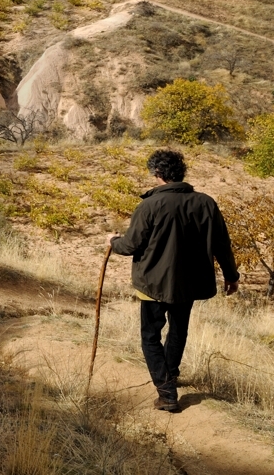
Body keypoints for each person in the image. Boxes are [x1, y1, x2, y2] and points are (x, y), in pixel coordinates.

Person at [107, 148, 239, 413]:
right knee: (179, 331)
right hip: (188, 284)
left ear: (157, 174)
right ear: (181, 173)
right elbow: (222, 244)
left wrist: (112, 242)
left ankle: (167, 392)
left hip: (152, 283)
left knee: (150, 335)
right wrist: (231, 276)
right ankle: (170, 376)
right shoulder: (206, 203)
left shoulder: (149, 205)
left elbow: (130, 246)